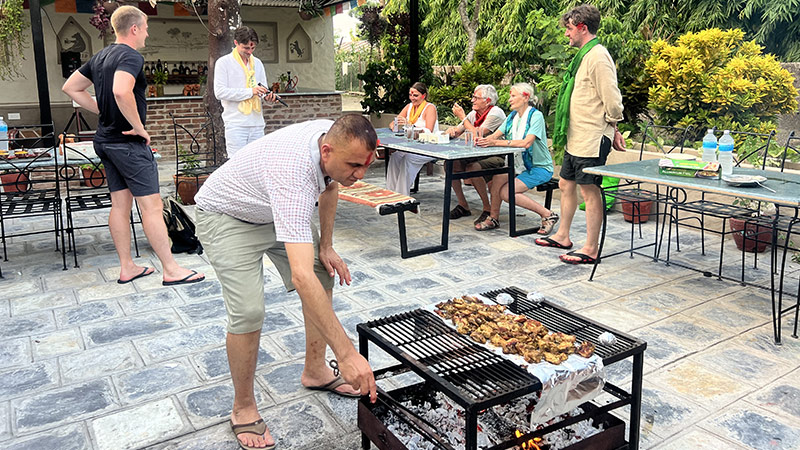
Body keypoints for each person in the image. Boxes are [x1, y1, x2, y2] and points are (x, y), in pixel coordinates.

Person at [193, 115, 378, 450]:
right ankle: (243, 406)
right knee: (249, 311)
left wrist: (326, 245)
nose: (361, 174)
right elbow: (300, 276)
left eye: (366, 165)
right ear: (326, 152)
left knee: (323, 272)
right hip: (226, 214)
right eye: (354, 165)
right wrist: (348, 354)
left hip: (269, 206)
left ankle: (316, 370)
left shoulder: (332, 139)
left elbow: (332, 184)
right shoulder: (294, 175)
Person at [62, 5, 204, 286]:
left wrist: (101, 111)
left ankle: (127, 267)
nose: (148, 34)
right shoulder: (130, 56)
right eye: (147, 28)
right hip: (128, 143)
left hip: (105, 141)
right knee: (150, 207)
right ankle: (172, 270)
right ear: (134, 28)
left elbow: (71, 87)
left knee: (120, 205)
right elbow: (120, 90)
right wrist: (139, 127)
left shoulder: (101, 56)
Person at [535, 4, 625, 263]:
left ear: (583, 28)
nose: (566, 34)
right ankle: (563, 235)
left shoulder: (598, 57)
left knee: (589, 190)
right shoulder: (583, 56)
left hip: (592, 137)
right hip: (576, 136)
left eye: (569, 29)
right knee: (565, 183)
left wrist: (613, 127)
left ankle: (591, 248)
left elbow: (612, 100)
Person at [475, 83, 558, 234]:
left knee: (506, 193)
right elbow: (494, 136)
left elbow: (526, 143)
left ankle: (548, 215)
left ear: (525, 97)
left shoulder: (536, 116)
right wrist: (483, 140)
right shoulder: (512, 117)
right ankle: (493, 218)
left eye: (513, 96)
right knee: (497, 180)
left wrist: (494, 142)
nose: (509, 99)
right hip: (517, 166)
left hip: (537, 168)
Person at [445, 84, 507, 225]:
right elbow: (459, 131)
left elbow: (478, 135)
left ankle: (487, 208)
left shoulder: (496, 113)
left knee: (473, 168)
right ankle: (463, 205)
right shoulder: (474, 114)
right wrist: (450, 131)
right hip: (479, 153)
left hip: (497, 154)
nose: (472, 100)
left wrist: (462, 117)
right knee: (450, 164)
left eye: (476, 97)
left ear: (487, 101)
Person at [214, 26, 278, 158]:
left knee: (257, 162)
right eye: (246, 48)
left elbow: (262, 90)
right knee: (237, 165)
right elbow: (219, 92)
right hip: (236, 124)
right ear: (236, 43)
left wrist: (268, 98)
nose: (250, 52)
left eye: (253, 48)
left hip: (257, 123)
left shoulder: (258, 63)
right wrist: (250, 92)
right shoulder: (223, 63)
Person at [385, 82, 439, 195]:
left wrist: (409, 125)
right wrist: (396, 124)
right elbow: (394, 122)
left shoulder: (430, 108)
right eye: (410, 95)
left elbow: (428, 130)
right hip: (411, 146)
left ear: (423, 96)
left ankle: (402, 196)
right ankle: (391, 192)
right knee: (395, 157)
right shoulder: (409, 106)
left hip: (428, 146)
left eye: (415, 95)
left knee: (407, 159)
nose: (412, 98)